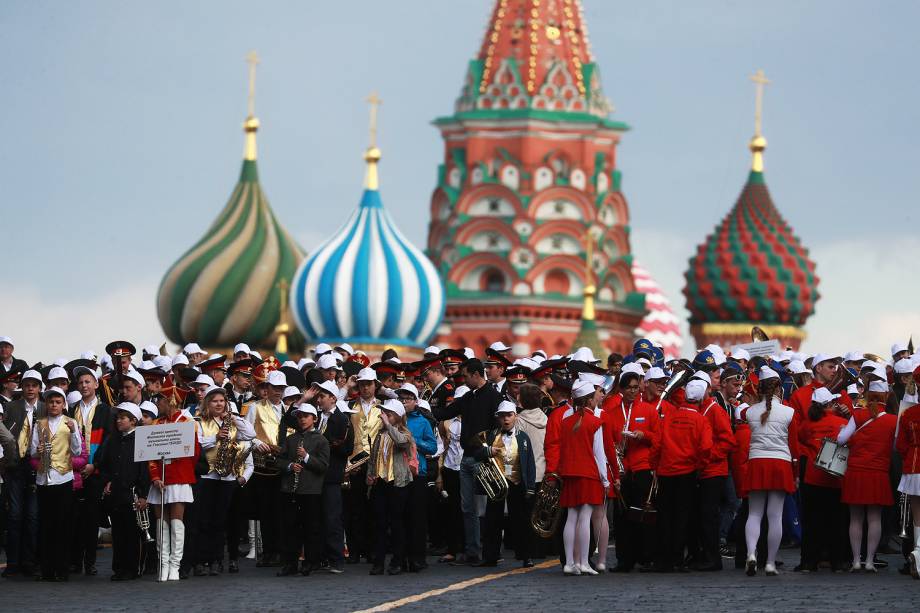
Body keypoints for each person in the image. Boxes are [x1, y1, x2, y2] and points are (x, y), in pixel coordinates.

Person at [432, 358, 502, 566]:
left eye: (465, 376)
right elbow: (446, 412)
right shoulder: (468, 398)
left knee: (485, 509)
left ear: (475, 374)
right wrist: (423, 409)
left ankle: (489, 551)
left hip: (486, 459)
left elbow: (498, 428)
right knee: (467, 508)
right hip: (466, 458)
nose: (463, 380)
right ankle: (472, 551)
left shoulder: (494, 397)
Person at [649, 378, 713, 573]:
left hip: (666, 472)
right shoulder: (701, 420)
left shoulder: (668, 417)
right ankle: (677, 558)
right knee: (682, 517)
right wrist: (699, 466)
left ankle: (664, 559)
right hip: (687, 472)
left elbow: (656, 445)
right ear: (701, 399)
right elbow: (706, 448)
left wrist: (654, 466)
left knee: (665, 516)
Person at [742, 366, 798, 577]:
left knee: (754, 514)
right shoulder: (789, 412)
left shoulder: (749, 412)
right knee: (775, 516)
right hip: (780, 464)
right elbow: (794, 447)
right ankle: (770, 563)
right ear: (778, 389)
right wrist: (796, 473)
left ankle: (751, 554)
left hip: (757, 462)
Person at [838, 380, 898, 572]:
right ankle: (870, 561)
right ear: (886, 397)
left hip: (856, 471)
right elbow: (896, 446)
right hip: (878, 473)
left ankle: (856, 560)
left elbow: (841, 439)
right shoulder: (892, 420)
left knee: (855, 518)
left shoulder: (858, 415)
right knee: (874, 518)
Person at [195, 386, 254, 576]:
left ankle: (217, 559)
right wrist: (215, 437)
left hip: (227, 476)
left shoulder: (232, 421)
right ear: (207, 403)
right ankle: (203, 559)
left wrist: (234, 417)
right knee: (205, 520)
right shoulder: (199, 421)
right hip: (208, 475)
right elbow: (196, 444)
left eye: (222, 401)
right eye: (215, 401)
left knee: (220, 521)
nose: (219, 404)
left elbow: (250, 434)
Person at [608, 370, 659, 572]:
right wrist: (616, 446)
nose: (632, 391)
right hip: (622, 470)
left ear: (640, 388)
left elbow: (658, 438)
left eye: (635, 387)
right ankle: (624, 559)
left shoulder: (648, 410)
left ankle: (646, 557)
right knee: (622, 516)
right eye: (628, 387)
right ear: (621, 389)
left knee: (644, 514)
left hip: (643, 467)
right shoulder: (612, 413)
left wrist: (643, 434)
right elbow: (607, 440)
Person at [30, 386, 83, 581]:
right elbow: (32, 453)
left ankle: (62, 569)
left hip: (63, 477)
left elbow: (77, 451)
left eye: (58, 402)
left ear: (63, 405)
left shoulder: (70, 423)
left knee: (62, 524)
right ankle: (47, 570)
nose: (54, 405)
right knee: (46, 525)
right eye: (51, 402)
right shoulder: (40, 423)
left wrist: (75, 432)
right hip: (44, 479)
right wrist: (38, 449)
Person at [95, 402, 152, 580]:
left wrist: (143, 494)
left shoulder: (142, 438)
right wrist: (106, 481)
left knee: (133, 532)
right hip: (116, 492)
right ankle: (119, 567)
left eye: (122, 418)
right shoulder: (112, 439)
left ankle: (133, 568)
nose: (118, 421)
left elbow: (145, 469)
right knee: (118, 532)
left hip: (133, 492)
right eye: (117, 418)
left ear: (133, 421)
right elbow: (103, 464)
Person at [558, 380, 609, 575]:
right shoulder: (595, 422)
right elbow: (599, 454)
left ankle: (570, 562)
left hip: (569, 473)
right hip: (588, 474)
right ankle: (583, 563)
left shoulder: (565, 422)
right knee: (584, 518)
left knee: (571, 518)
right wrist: (605, 480)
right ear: (589, 401)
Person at [148, 391, 200, 581]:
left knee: (177, 521)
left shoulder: (187, 422)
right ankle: (163, 564)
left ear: (169, 400)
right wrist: (154, 477)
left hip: (178, 477)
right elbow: (150, 455)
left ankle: (175, 566)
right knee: (161, 522)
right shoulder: (156, 424)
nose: (157, 404)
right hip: (159, 479)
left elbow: (194, 453)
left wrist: (176, 458)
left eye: (159, 400)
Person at [796, 388, 848, 572]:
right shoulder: (841, 422)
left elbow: (801, 438)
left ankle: (809, 562)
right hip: (834, 478)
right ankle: (837, 562)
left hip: (812, 478)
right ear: (831, 404)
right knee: (836, 522)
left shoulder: (807, 424)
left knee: (811, 523)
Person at [68, 365, 113, 576]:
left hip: (95, 471)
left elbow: (107, 442)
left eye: (88, 381)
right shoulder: (72, 410)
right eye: (81, 383)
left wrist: (95, 465)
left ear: (96, 384)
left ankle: (90, 561)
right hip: (75, 472)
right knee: (75, 517)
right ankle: (75, 560)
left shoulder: (105, 410)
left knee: (92, 518)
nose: (84, 385)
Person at [481, 400, 537, 568]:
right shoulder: (491, 435)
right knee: (492, 520)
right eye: (502, 416)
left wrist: (530, 487)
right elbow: (479, 454)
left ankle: (525, 555)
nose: (505, 419)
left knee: (521, 520)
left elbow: (530, 464)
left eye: (509, 415)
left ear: (515, 416)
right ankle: (490, 556)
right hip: (497, 483)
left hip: (516, 481)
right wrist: (487, 451)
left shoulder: (523, 437)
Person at [277, 403, 330, 577]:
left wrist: (306, 457)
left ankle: (311, 562)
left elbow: (323, 466)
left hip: (311, 491)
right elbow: (280, 461)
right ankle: (290, 563)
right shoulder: (291, 439)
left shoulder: (321, 440)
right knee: (290, 528)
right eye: (299, 416)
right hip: (291, 489)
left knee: (311, 528)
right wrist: (290, 465)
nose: (302, 419)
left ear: (314, 419)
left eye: (306, 416)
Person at [244, 369, 290, 567]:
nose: (278, 392)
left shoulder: (287, 411)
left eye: (281, 388)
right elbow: (246, 432)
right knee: (265, 510)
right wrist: (256, 443)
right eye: (275, 388)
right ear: (267, 388)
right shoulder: (256, 407)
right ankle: (268, 551)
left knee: (281, 510)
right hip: (263, 465)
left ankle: (280, 550)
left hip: (281, 464)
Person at [2, 368, 45, 577]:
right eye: (27, 385)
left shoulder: (46, 407)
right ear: (22, 387)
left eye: (34, 385)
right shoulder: (11, 407)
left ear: (39, 388)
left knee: (33, 515)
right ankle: (13, 563)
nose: (30, 389)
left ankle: (30, 561)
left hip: (37, 466)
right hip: (15, 465)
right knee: (15, 515)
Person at [309, 379, 354, 574]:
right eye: (318, 396)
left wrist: (324, 445)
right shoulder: (316, 417)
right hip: (313, 475)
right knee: (315, 519)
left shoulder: (342, 419)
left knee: (332, 518)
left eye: (322, 396)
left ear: (333, 398)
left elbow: (347, 448)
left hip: (331, 475)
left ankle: (336, 559)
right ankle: (318, 557)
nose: (319, 400)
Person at [366, 398, 415, 575]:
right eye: (384, 413)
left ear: (397, 416)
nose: (384, 416)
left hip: (398, 483)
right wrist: (369, 478)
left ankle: (397, 560)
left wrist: (389, 425)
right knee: (379, 524)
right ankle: (378, 562)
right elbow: (373, 458)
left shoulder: (405, 433)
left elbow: (402, 443)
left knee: (397, 523)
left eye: (388, 413)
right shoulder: (379, 435)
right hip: (380, 482)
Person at [396, 382, 437, 572]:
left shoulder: (422, 422)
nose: (404, 402)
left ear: (415, 401)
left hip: (417, 474)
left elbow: (433, 447)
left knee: (417, 519)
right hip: (397, 473)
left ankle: (418, 558)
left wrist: (413, 439)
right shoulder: (393, 420)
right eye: (401, 398)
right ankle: (400, 558)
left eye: (408, 399)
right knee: (399, 518)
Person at [345, 367, 382, 565]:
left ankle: (372, 549)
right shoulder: (350, 405)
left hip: (377, 462)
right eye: (362, 384)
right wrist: (347, 387)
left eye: (369, 384)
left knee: (375, 509)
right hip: (355, 462)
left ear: (375, 385)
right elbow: (333, 404)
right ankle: (354, 550)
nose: (366, 388)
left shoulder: (384, 406)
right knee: (354, 508)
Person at [896, 375, 920, 578]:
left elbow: (900, 446)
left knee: (916, 515)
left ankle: (918, 553)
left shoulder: (908, 413)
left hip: (913, 464)